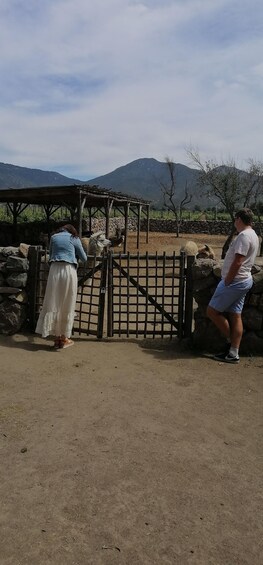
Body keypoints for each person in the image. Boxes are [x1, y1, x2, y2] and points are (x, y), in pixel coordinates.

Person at [206, 208, 259, 363]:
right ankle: (233, 353)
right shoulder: (254, 235)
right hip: (243, 280)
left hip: (235, 281)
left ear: (239, 219)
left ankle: (230, 342)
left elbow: (238, 261)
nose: (234, 223)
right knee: (235, 315)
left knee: (211, 311)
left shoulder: (243, 236)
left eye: (235, 219)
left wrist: (228, 280)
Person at [35, 224, 87, 349]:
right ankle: (64, 338)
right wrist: (74, 258)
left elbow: (51, 254)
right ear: (72, 231)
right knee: (67, 302)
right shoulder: (74, 238)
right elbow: (84, 258)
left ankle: (57, 338)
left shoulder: (53, 237)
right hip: (69, 270)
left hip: (54, 270)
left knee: (53, 301)